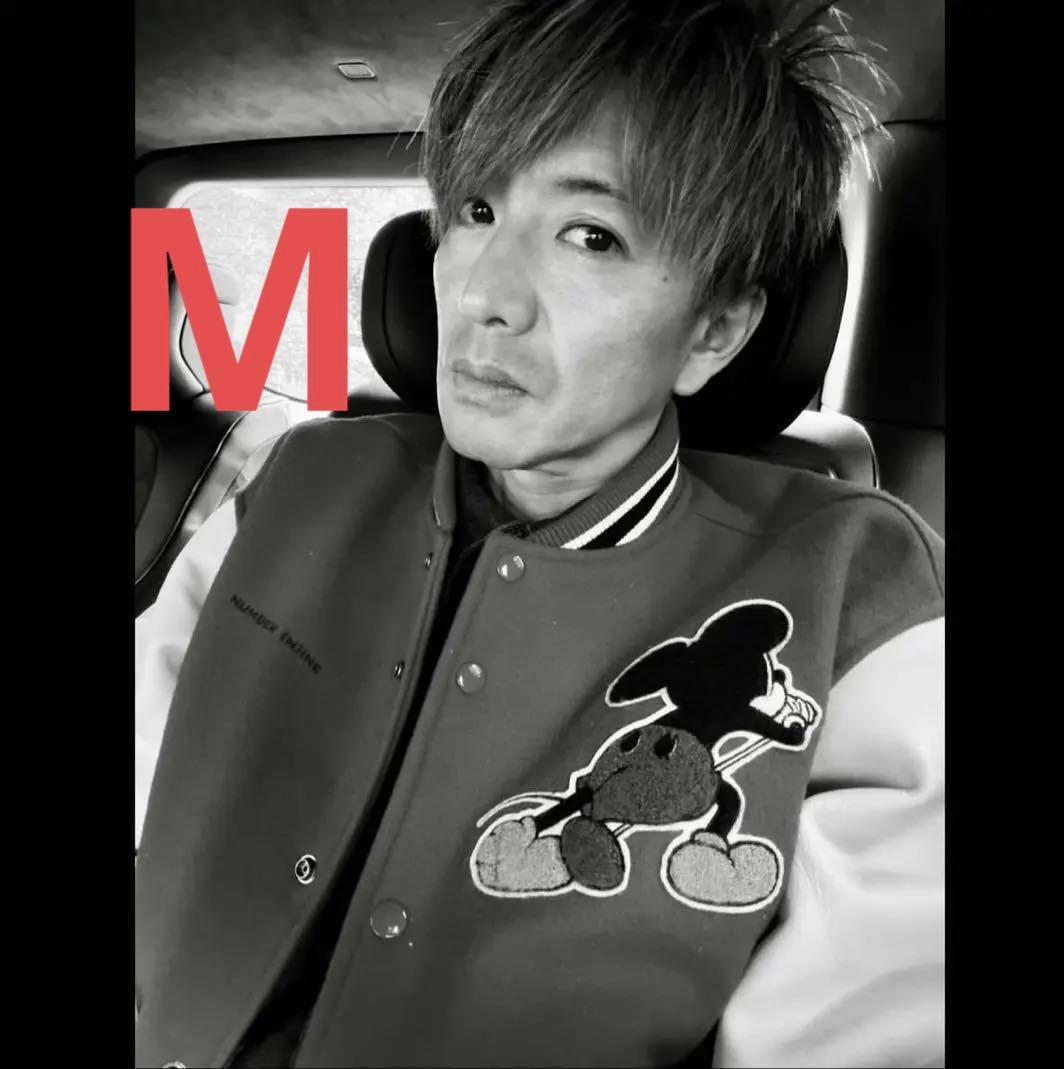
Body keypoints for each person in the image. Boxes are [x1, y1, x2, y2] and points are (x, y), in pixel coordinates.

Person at [135, 1, 944, 1066]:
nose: (485, 293)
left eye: (591, 236)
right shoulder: (292, 483)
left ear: (714, 329)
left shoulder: (862, 592)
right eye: (475, 211)